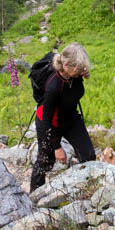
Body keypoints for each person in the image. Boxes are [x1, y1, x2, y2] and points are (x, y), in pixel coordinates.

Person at [30, 43, 95, 191]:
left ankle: (85, 190)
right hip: (49, 124)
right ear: (66, 65)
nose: (81, 71)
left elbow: (74, 90)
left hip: (70, 119)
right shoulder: (53, 86)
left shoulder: (74, 75)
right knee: (45, 161)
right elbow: (46, 118)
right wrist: (56, 146)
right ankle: (34, 195)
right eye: (78, 68)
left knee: (89, 155)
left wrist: (83, 76)